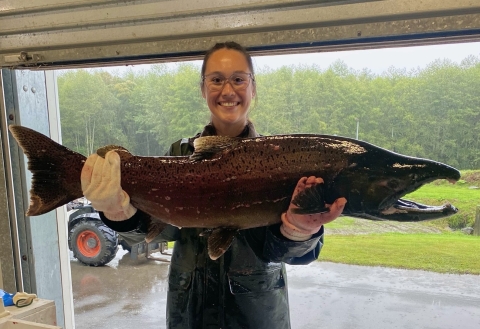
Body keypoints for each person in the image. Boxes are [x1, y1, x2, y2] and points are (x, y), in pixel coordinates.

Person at [80, 41, 347, 329]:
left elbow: (295, 255)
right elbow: (159, 232)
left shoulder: (283, 159)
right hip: (189, 315)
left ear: (253, 88)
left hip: (257, 317)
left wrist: (299, 234)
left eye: (238, 79)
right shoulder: (179, 155)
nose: (228, 90)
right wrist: (119, 216)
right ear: (203, 89)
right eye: (217, 80)